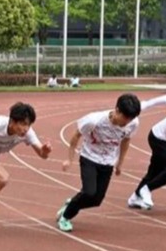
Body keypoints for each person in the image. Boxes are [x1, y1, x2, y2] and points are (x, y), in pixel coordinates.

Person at [56, 93, 142, 232]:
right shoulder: (93, 121)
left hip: (108, 162)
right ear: (117, 110)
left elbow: (126, 140)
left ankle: (73, 202)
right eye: (125, 117)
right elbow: (76, 136)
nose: (127, 122)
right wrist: (69, 159)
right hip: (89, 158)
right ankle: (65, 217)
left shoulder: (133, 123)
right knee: (89, 192)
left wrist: (120, 163)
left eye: (131, 118)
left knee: (97, 200)